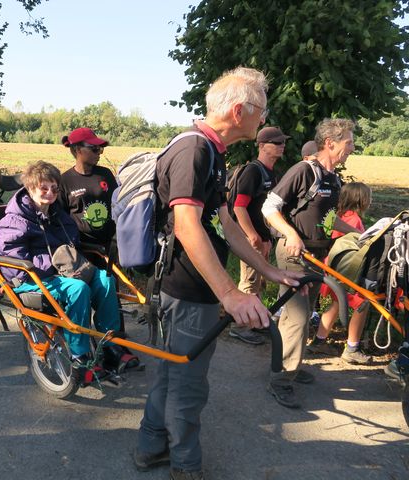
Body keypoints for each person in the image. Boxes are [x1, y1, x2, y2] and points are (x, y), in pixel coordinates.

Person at [134, 67, 304, 480]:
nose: (263, 121)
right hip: (187, 287)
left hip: (193, 285)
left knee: (174, 371)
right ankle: (185, 465)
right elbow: (188, 223)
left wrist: (266, 268)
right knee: (188, 384)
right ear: (239, 108)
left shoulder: (212, 151)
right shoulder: (193, 150)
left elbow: (225, 221)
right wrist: (230, 293)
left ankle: (150, 445)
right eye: (260, 111)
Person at [0, 161, 138, 377]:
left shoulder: (57, 215)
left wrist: (71, 264)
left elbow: (71, 244)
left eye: (54, 188)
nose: (50, 193)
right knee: (77, 289)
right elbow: (14, 262)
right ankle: (80, 355)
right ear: (30, 188)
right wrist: (57, 265)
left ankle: (111, 345)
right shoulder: (14, 221)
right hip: (29, 279)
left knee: (105, 280)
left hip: (62, 273)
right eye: (44, 188)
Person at [262, 118, 356, 409]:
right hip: (294, 255)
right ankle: (281, 379)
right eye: (348, 143)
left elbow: (326, 220)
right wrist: (290, 233)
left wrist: (357, 232)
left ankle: (289, 364)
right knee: (299, 316)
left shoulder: (333, 179)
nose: (352, 148)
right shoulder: (304, 171)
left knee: (298, 316)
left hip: (317, 256)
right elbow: (269, 207)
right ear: (330, 143)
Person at [228, 126, 288, 345]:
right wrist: (252, 235)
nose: (282, 146)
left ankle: (255, 322)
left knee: (259, 282)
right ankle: (240, 326)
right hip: (249, 238)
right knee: (250, 281)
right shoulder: (253, 172)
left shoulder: (271, 172)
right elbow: (238, 207)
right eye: (277, 142)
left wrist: (267, 238)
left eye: (283, 142)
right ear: (262, 146)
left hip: (263, 238)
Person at [308, 182, 373, 364]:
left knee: (337, 303)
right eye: (369, 197)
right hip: (346, 267)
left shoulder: (340, 215)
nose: (371, 201)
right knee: (362, 302)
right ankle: (352, 347)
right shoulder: (354, 221)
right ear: (361, 200)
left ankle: (319, 341)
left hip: (333, 265)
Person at [59, 128, 117, 248]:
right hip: (81, 247)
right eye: (94, 149)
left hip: (109, 244)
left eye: (100, 149)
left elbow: (118, 204)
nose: (99, 153)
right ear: (77, 150)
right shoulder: (64, 181)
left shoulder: (105, 174)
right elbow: (60, 219)